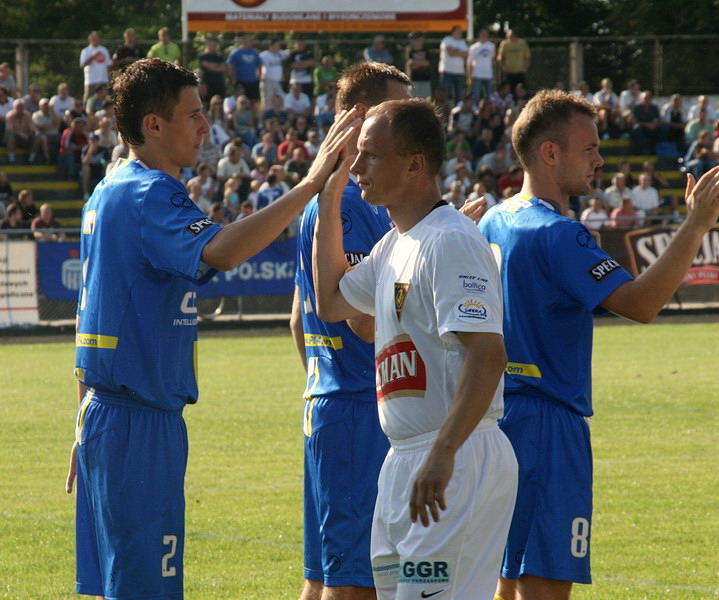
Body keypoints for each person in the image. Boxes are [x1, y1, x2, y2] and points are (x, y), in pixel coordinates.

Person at [66, 56, 362, 600]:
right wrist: (312, 184)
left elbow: (90, 315)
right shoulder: (149, 193)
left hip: (109, 416)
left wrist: (84, 414)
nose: (206, 127)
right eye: (194, 115)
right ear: (153, 126)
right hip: (136, 425)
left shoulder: (109, 190)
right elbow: (222, 252)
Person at [476, 89, 719, 600]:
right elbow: (641, 303)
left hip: (496, 417)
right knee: (545, 583)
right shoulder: (559, 233)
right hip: (548, 421)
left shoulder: (493, 219)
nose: (598, 159)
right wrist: (696, 224)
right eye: (589, 148)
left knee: (504, 581)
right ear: (551, 153)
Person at [312, 96, 517, 600]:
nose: (356, 165)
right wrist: (327, 201)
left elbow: (488, 354)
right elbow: (331, 301)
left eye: (369, 155)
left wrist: (445, 451)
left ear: (414, 163)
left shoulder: (450, 241)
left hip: (455, 453)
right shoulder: (395, 243)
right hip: (404, 457)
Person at [289, 59, 413, 600]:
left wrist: (322, 378)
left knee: (323, 578)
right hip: (361, 408)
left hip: (330, 404)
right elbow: (364, 321)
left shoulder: (322, 197)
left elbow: (299, 316)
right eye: (397, 110)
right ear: (361, 117)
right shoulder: (357, 204)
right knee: (355, 582)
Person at [228, 35, 263, 113]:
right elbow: (231, 66)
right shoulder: (236, 53)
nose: (250, 43)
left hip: (253, 81)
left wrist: (259, 76)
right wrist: (234, 79)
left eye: (251, 41)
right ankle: (238, 119)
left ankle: (253, 121)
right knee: (241, 101)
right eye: (248, 40)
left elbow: (259, 65)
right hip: (241, 81)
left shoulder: (255, 53)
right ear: (243, 41)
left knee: (252, 102)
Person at [439, 26, 469, 107]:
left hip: (460, 72)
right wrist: (460, 53)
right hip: (447, 71)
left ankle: (457, 114)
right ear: (453, 32)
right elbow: (450, 52)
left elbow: (466, 54)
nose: (459, 33)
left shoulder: (462, 42)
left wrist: (455, 51)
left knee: (459, 95)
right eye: (457, 31)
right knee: (445, 94)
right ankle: (444, 113)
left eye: (460, 32)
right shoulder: (447, 39)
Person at [260, 38, 291, 112]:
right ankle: (264, 121)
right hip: (268, 81)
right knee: (268, 102)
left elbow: (290, 53)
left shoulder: (280, 54)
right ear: (271, 46)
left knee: (283, 98)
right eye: (277, 45)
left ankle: (280, 118)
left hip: (278, 82)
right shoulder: (264, 55)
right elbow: (259, 65)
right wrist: (262, 74)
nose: (279, 47)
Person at [80, 31, 111, 103]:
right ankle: (85, 112)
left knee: (105, 98)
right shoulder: (86, 50)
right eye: (94, 39)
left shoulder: (104, 50)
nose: (96, 41)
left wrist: (109, 78)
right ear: (90, 40)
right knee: (88, 97)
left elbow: (108, 65)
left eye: (97, 39)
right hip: (91, 80)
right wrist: (93, 56)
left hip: (103, 79)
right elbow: (83, 64)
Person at [5, 99, 39, 164]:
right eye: (18, 107)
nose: (20, 109)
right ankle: (11, 160)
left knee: (37, 138)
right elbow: (9, 130)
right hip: (14, 136)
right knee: (11, 138)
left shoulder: (28, 115)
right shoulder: (10, 115)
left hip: (26, 136)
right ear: (14, 107)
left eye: (21, 107)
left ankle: (31, 160)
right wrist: (20, 134)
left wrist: (28, 134)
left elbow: (32, 129)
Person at [468, 28, 496, 106]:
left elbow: (493, 59)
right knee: (476, 96)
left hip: (488, 75)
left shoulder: (491, 46)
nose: (484, 35)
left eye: (486, 34)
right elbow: (470, 62)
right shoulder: (474, 47)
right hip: (477, 75)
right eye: (483, 34)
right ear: (479, 34)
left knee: (489, 96)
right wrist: (470, 77)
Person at [406, 34, 432, 100]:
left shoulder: (426, 51)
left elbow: (427, 63)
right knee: (413, 97)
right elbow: (410, 64)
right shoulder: (411, 51)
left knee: (425, 98)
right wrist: (421, 63)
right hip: (414, 78)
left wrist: (416, 63)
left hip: (425, 77)